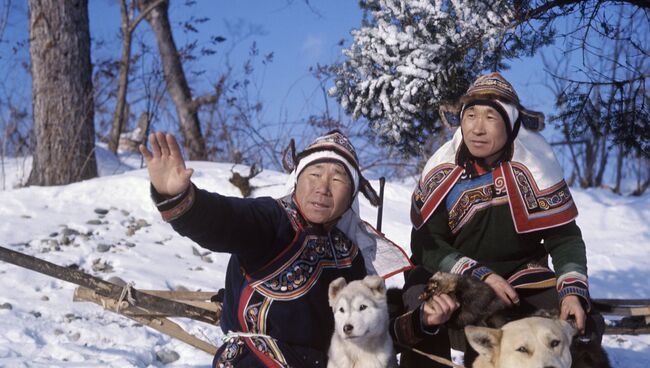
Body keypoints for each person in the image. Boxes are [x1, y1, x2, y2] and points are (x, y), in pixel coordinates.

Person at [139, 129, 457, 368]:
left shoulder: (351, 257)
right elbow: (224, 220)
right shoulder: (272, 219)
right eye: (315, 174)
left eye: (337, 179)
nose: (322, 187)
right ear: (297, 180)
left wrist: (421, 322)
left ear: (351, 197)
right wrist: (182, 200)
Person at [407, 72, 605, 366]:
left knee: (582, 324)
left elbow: (564, 238)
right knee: (424, 313)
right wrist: (480, 275)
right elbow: (426, 244)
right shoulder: (443, 171)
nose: (477, 128)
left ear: (511, 124)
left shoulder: (535, 169)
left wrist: (572, 292)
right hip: (450, 277)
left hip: (520, 278)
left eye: (490, 117)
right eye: (470, 115)